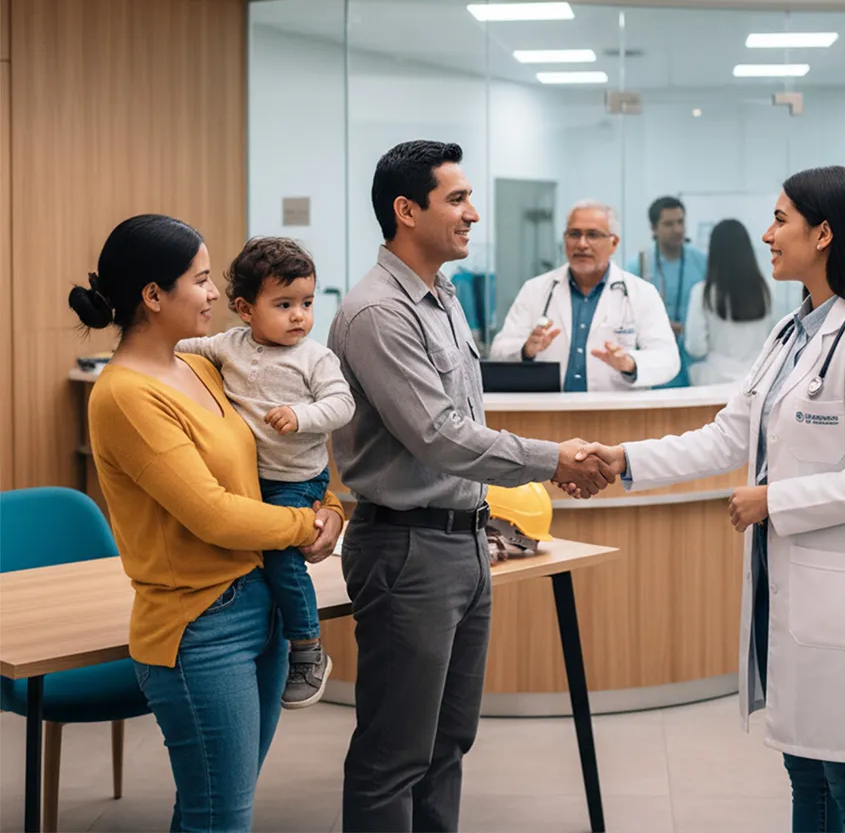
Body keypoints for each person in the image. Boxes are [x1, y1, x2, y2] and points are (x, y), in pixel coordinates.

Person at [575, 167, 845, 833]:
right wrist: (625, 460)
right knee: (807, 774)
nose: (767, 234)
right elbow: (727, 435)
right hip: (794, 592)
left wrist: (774, 500)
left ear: (824, 234)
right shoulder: (791, 334)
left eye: (781, 220)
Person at [328, 141, 615, 833]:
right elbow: (438, 435)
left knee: (448, 742)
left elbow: (459, 428)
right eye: (456, 199)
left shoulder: (443, 298)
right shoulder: (378, 313)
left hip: (463, 543)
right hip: (408, 551)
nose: (473, 214)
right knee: (395, 754)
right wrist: (553, 460)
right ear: (406, 211)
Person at [69, 215, 345, 833]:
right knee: (221, 817)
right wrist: (305, 527)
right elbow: (213, 514)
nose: (216, 292)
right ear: (153, 295)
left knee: (214, 812)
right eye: (199, 279)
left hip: (262, 604)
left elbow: (271, 463)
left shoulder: (200, 369)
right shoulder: (125, 395)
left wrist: (330, 507)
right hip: (201, 626)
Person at [177, 236, 355, 708]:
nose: (299, 316)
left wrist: (301, 415)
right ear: (245, 309)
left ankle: (308, 647)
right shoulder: (228, 345)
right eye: (284, 304)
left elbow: (342, 404)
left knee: (281, 559)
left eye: (307, 303)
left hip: (296, 479)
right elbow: (180, 345)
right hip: (249, 479)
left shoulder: (315, 357)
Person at [489, 199, 680, 392]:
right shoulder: (535, 290)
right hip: (550, 407)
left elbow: (668, 359)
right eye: (574, 234)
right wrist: (525, 350)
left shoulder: (642, 293)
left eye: (592, 235)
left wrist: (630, 363)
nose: (581, 244)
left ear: (613, 243)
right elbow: (498, 351)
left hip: (615, 408)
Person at [627, 195, 708, 387]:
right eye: (669, 224)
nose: (677, 229)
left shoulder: (702, 262)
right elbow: (628, 314)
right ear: (654, 228)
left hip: (693, 360)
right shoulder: (639, 266)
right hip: (654, 357)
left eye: (680, 222)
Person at [684, 219, 773, 385]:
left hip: (716, 381)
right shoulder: (765, 289)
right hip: (759, 379)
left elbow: (696, 347)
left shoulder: (702, 292)